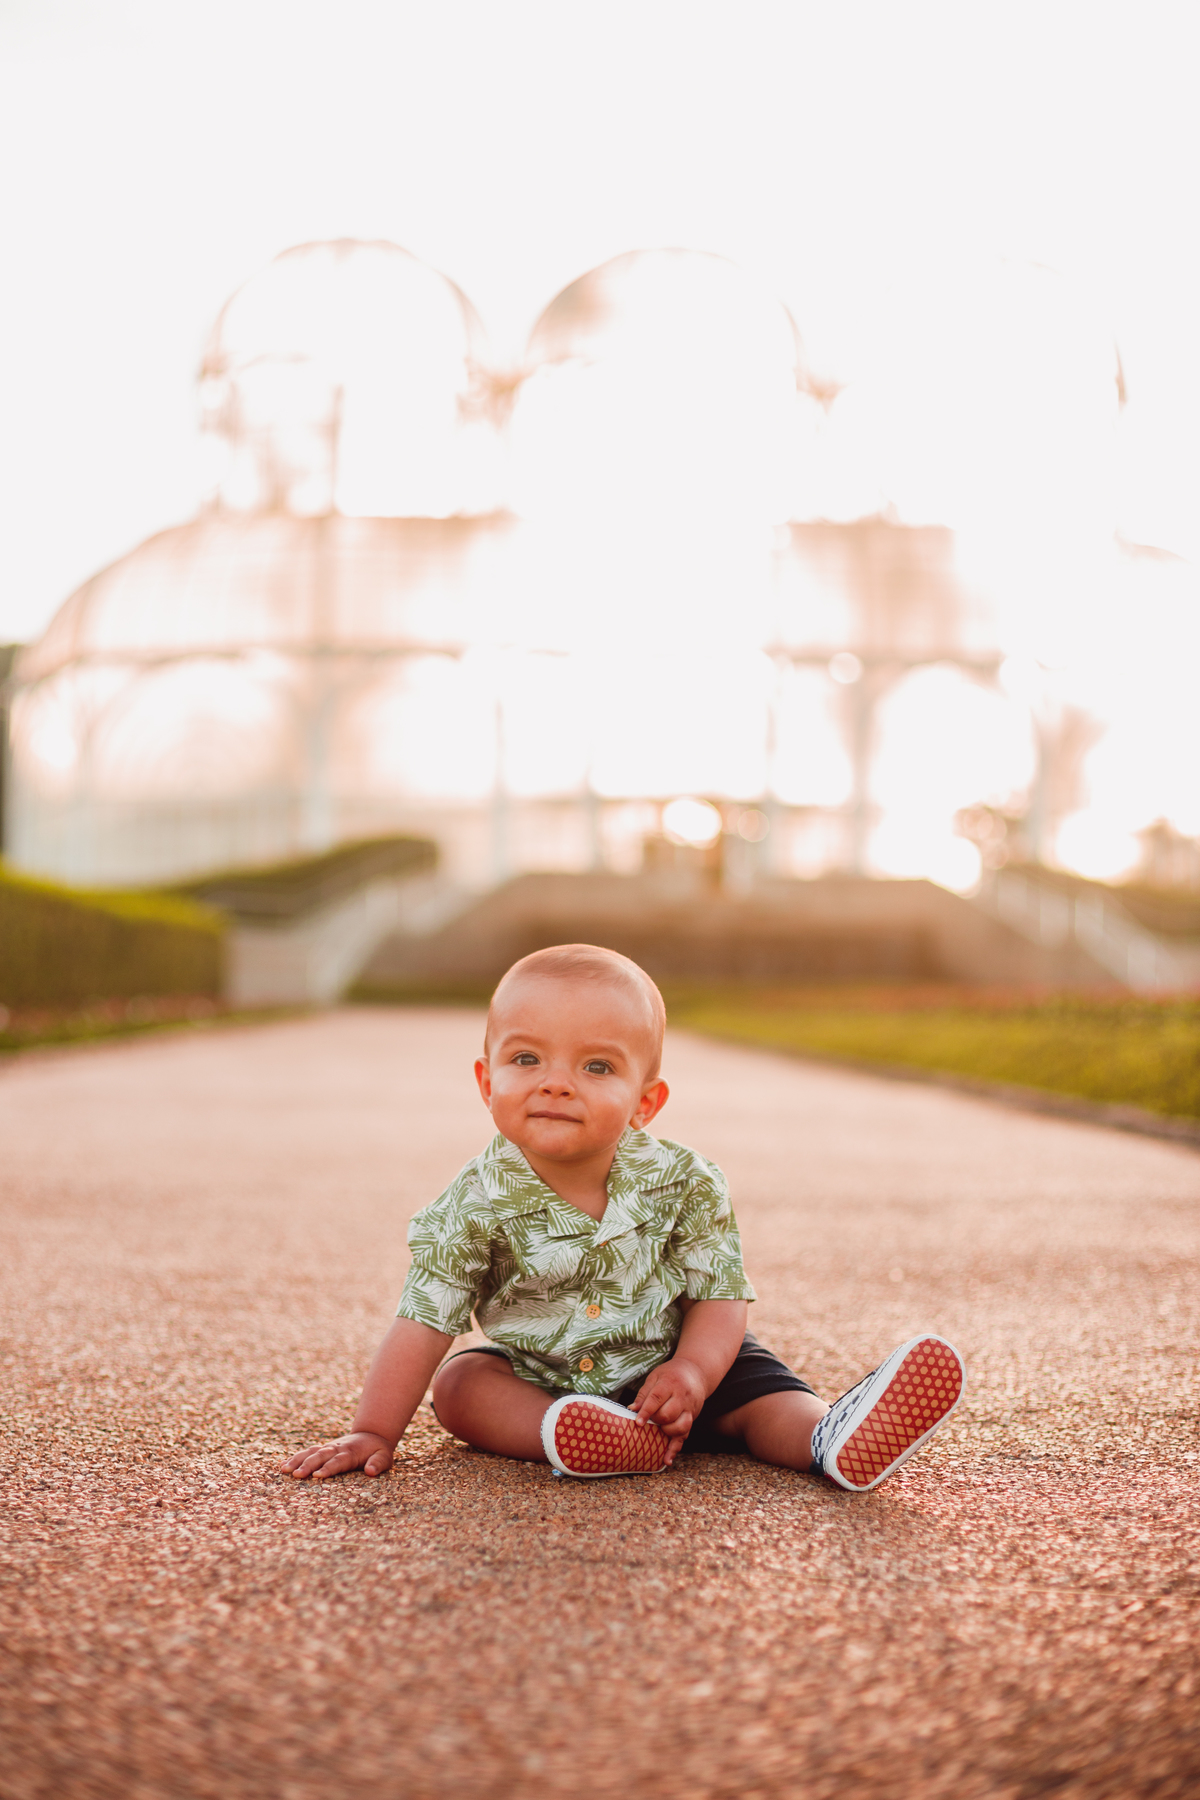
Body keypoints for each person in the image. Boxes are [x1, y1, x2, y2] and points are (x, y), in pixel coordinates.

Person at [282, 945, 964, 1489]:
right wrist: (373, 1431)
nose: (556, 1082)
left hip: (680, 1356)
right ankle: (580, 1433)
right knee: (460, 1384)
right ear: (487, 1082)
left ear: (646, 1101)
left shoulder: (685, 1181)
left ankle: (830, 1438)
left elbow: (719, 1297)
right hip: (544, 1372)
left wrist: (693, 1374)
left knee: (765, 1396)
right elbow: (425, 1320)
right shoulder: (471, 1204)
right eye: (526, 1058)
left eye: (597, 1066)